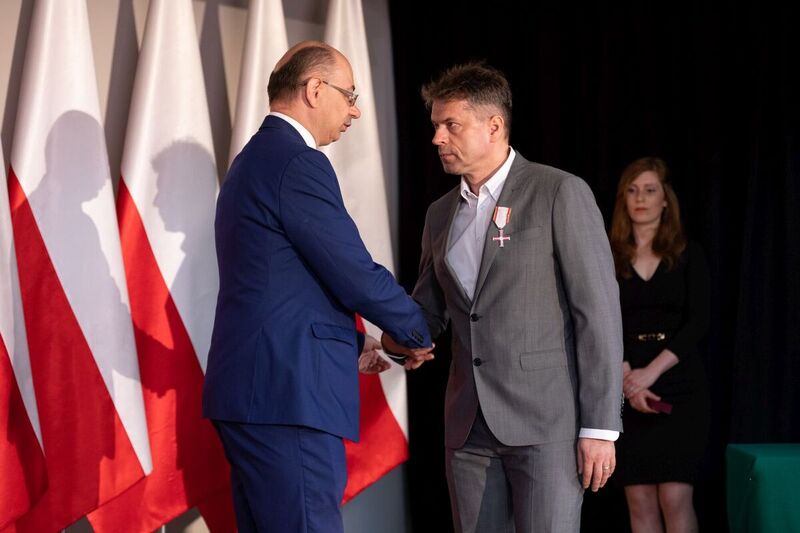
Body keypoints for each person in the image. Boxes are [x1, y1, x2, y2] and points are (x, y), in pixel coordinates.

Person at [202, 41, 433, 533]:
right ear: (314, 89)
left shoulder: (252, 160)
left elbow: (280, 281)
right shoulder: (297, 162)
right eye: (349, 94)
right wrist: (416, 330)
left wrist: (354, 342)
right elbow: (349, 268)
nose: (355, 110)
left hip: (257, 392)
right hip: (288, 395)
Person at [388, 62, 624, 533]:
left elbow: (597, 313)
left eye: (450, 125)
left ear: (493, 125)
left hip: (547, 425)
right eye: (435, 126)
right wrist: (389, 341)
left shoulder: (558, 191)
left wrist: (599, 428)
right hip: (468, 426)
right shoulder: (439, 215)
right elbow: (429, 311)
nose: (437, 138)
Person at [609, 157, 710, 533]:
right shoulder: (609, 255)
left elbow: (699, 321)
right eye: (632, 191)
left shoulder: (687, 254)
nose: (641, 199)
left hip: (679, 386)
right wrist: (626, 379)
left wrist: (649, 373)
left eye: (650, 190)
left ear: (665, 200)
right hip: (626, 383)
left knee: (674, 497)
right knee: (639, 501)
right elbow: (603, 321)